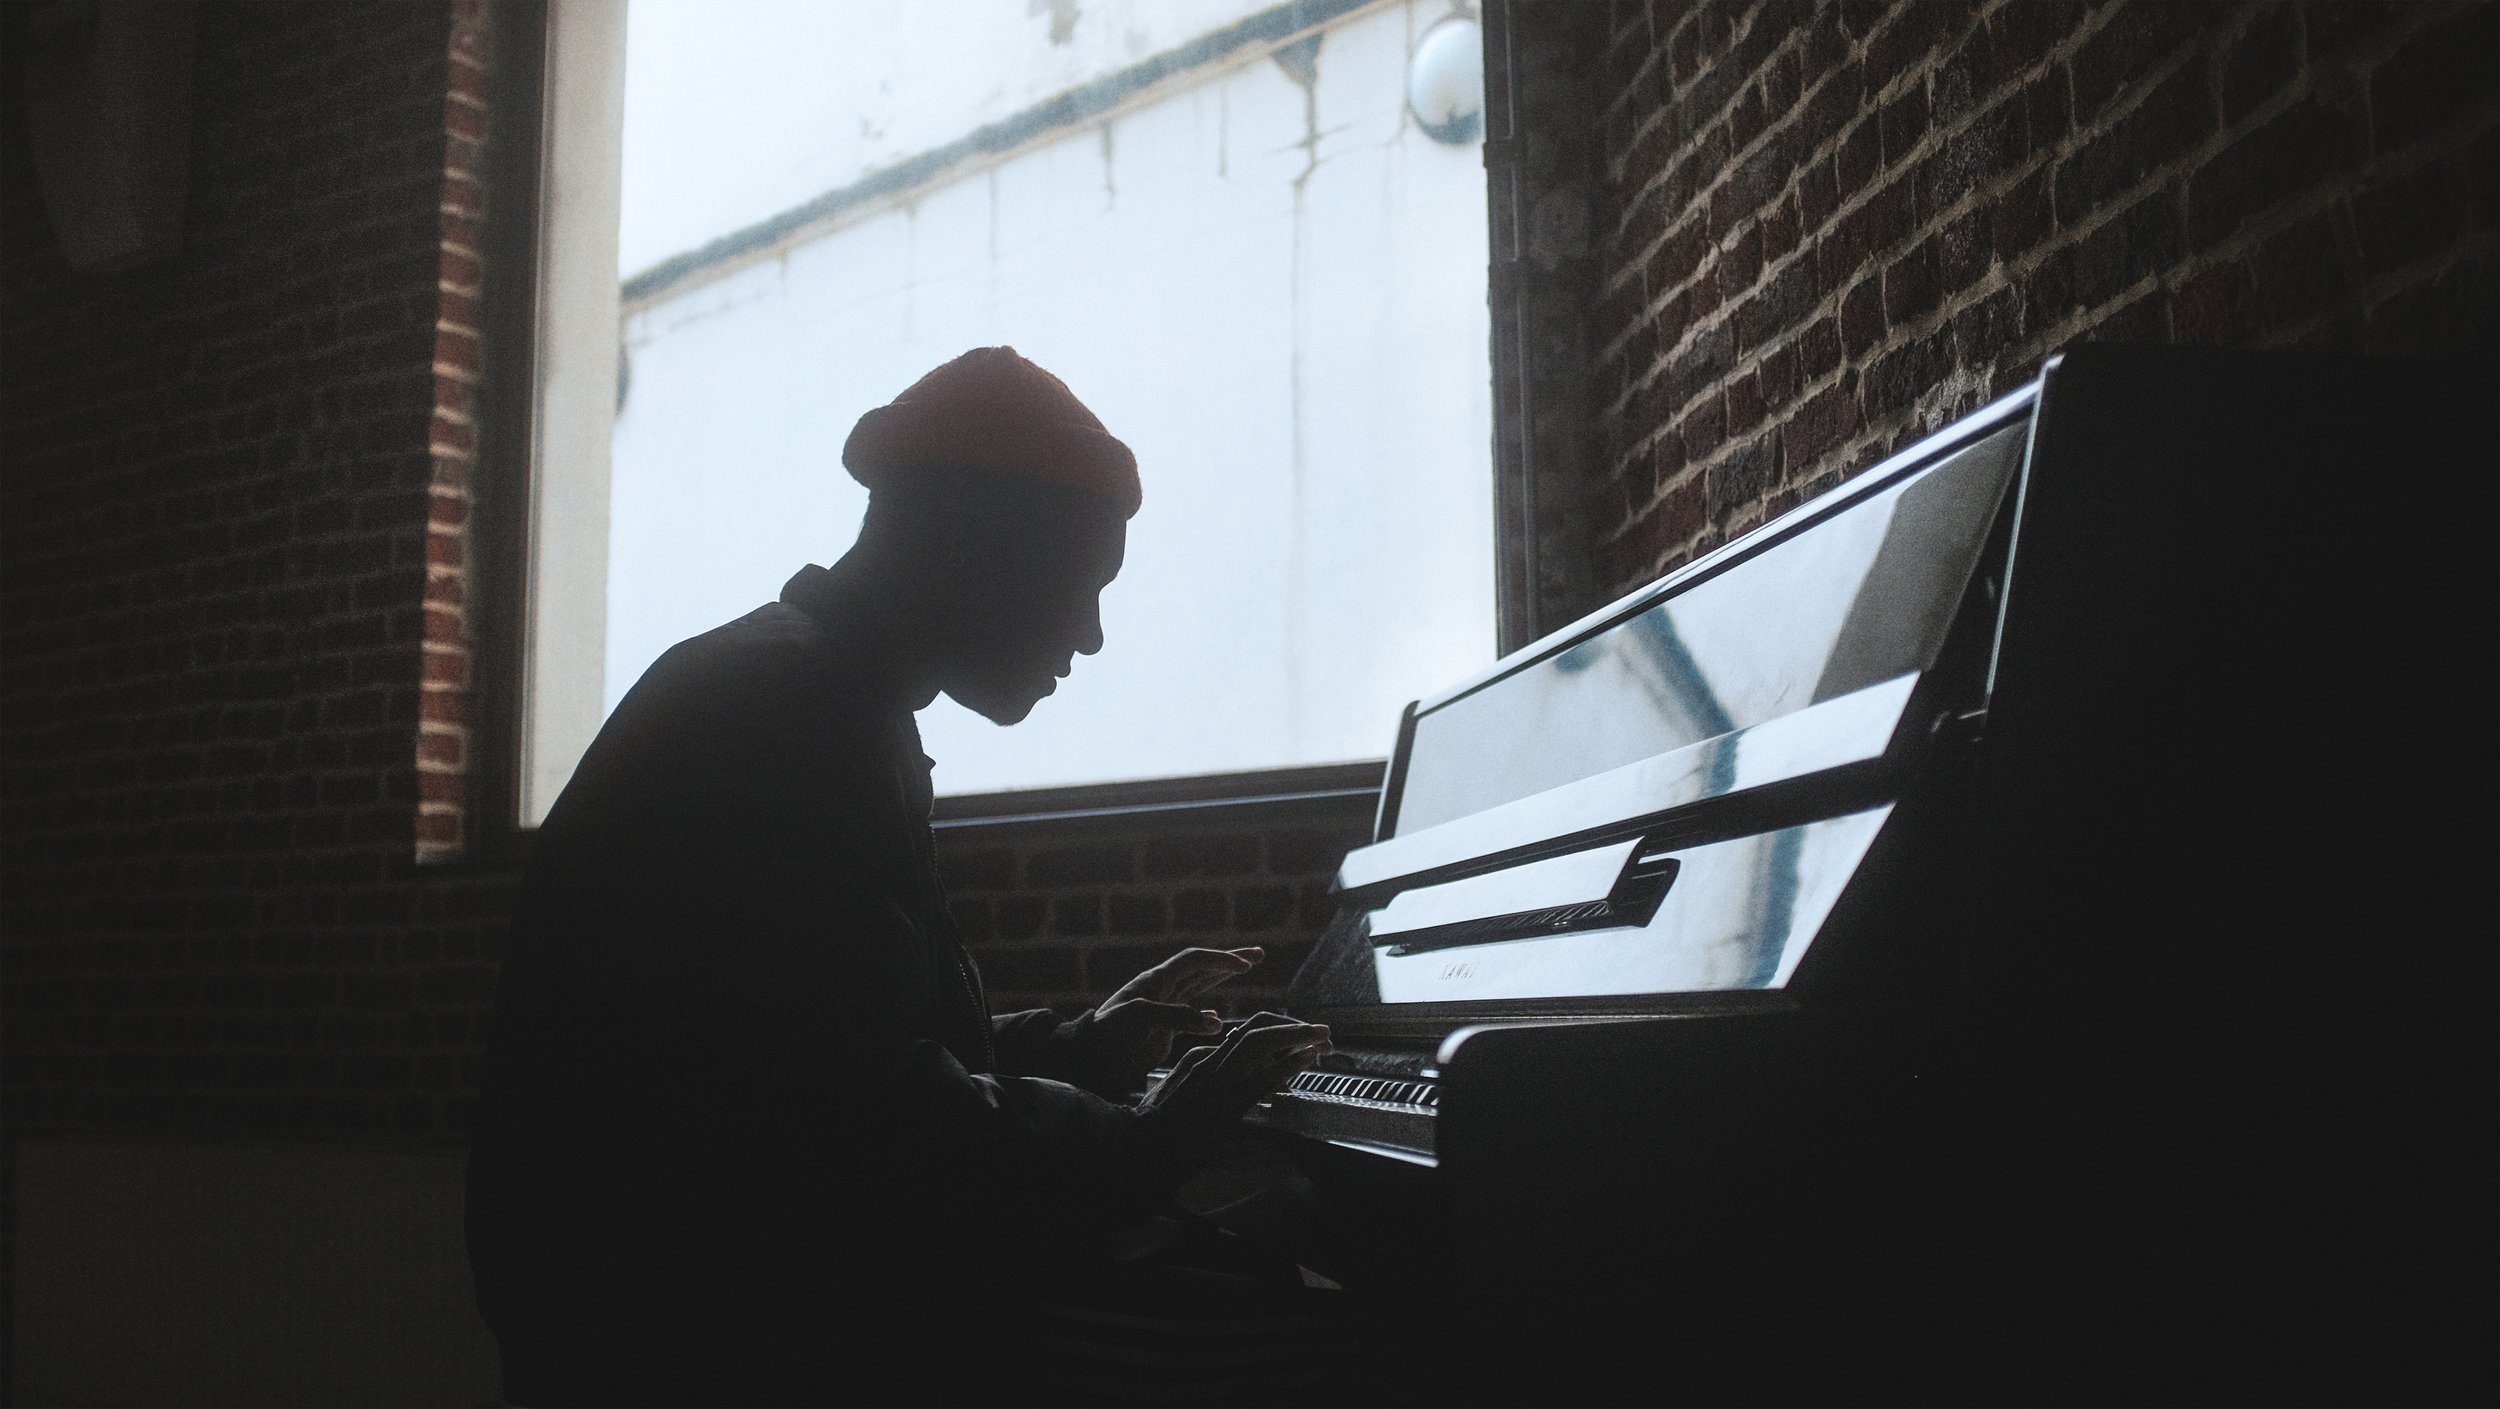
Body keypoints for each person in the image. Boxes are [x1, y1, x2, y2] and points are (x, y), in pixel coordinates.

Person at [465, 348, 1346, 1406]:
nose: (1092, 634)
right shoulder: (798, 723)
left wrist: (1079, 1046)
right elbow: (872, 1133)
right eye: (1080, 583)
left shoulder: (791, 684)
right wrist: (1149, 1139)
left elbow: (823, 1043)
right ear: (976, 541)